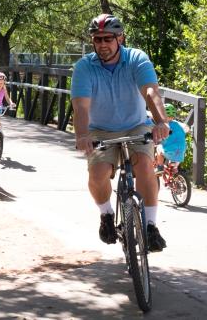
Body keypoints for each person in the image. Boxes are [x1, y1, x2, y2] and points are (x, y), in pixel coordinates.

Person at [71, 14, 171, 252]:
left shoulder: (137, 59)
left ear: (120, 38)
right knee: (98, 173)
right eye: (97, 40)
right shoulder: (84, 67)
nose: (102, 44)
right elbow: (81, 106)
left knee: (145, 165)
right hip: (100, 130)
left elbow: (150, 93)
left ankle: (150, 226)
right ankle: (106, 215)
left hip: (136, 125)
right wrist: (83, 135)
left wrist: (161, 122)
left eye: (108, 39)